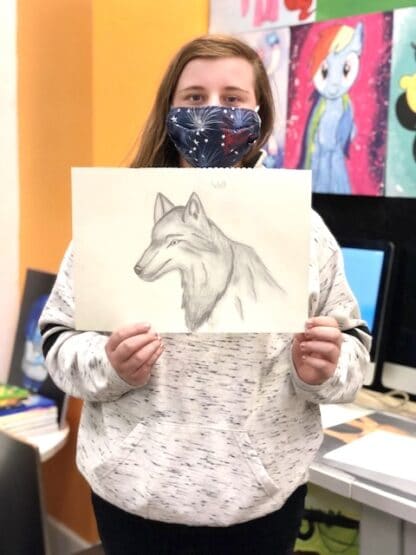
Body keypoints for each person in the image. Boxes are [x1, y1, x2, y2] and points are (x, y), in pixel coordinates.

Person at [40, 34, 371, 555]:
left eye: (234, 98)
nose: (214, 112)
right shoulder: (115, 218)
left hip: (261, 505)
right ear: (169, 109)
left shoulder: (303, 231)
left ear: (259, 112)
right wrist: (109, 364)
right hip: (134, 500)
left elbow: (354, 350)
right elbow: (58, 342)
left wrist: (326, 368)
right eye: (194, 97)